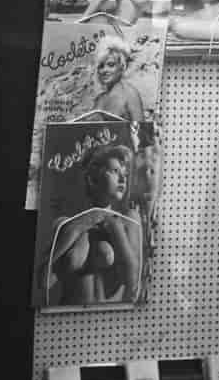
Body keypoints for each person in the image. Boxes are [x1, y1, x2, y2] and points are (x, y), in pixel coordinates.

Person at [45, 144, 143, 307]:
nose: (123, 179)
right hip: (71, 318)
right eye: (115, 171)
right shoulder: (67, 224)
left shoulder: (128, 221)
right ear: (93, 180)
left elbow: (133, 283)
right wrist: (79, 227)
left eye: (124, 173)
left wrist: (114, 228)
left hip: (110, 320)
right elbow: (45, 282)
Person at [89, 36, 145, 121]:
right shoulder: (100, 99)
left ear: (121, 66)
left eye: (111, 65)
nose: (105, 70)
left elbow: (141, 131)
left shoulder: (130, 94)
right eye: (101, 66)